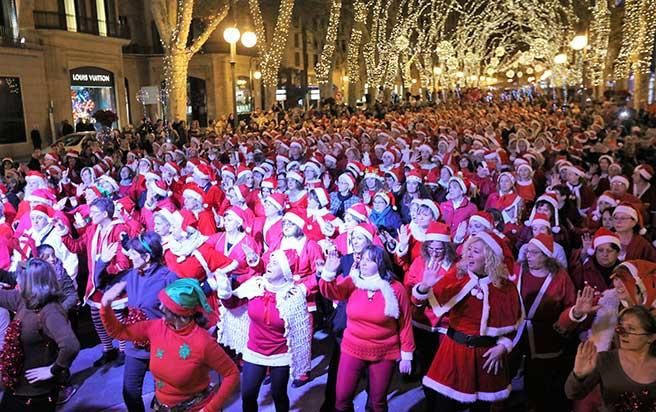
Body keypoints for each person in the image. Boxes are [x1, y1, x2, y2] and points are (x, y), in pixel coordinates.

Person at [415, 231, 522, 412]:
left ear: (489, 258)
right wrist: (424, 286)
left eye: (476, 251)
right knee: (443, 406)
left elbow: (513, 324)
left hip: (486, 356)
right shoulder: (457, 276)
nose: (469, 254)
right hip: (454, 351)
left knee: (481, 408)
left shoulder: (505, 288)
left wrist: (503, 346)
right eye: (469, 249)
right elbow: (420, 304)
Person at [100, 278, 240, 411]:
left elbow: (231, 374)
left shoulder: (203, 342)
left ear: (180, 312)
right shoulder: (156, 327)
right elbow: (119, 332)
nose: (160, 307)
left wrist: (210, 409)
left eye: (165, 305)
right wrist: (105, 305)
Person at [320, 245, 415, 412]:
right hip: (353, 349)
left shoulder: (395, 289)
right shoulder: (353, 282)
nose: (363, 263)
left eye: (369, 260)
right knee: (341, 400)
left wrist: (406, 355)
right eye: (362, 259)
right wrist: (328, 272)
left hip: (384, 352)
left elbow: (405, 323)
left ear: (380, 264)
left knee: (377, 403)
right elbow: (331, 292)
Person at [217, 249, 312, 412]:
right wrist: (225, 290)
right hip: (254, 351)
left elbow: (301, 332)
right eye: (270, 261)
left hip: (280, 355)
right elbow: (232, 303)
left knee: (279, 395)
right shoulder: (256, 285)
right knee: (248, 395)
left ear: (285, 271)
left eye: (275, 263)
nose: (269, 264)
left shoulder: (294, 296)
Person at [95, 232, 178, 412]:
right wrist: (102, 262)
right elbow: (102, 286)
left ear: (147, 257)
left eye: (133, 253)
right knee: (130, 392)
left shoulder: (168, 277)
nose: (129, 256)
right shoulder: (131, 275)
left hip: (161, 347)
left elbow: (184, 312)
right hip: (136, 346)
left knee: (164, 397)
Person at [0, 258, 80, 411]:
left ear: (32, 282)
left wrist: (53, 369)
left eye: (20, 277)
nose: (17, 279)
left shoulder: (50, 311)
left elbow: (71, 345)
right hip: (17, 386)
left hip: (35, 394)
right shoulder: (24, 300)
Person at [565, 305, 656, 411]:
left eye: (631, 329)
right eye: (621, 328)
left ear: (651, 337)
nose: (623, 334)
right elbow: (573, 394)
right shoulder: (604, 360)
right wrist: (578, 376)